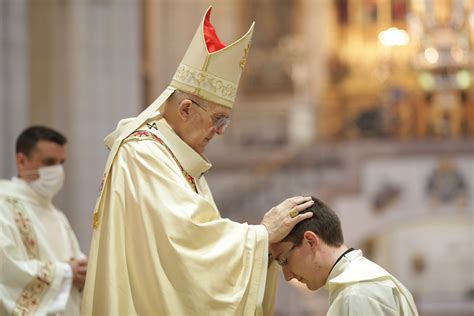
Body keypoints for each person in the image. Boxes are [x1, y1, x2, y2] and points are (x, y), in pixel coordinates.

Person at [81, 6, 313, 316]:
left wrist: (260, 245)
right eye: (218, 120)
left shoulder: (176, 158)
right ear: (186, 109)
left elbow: (195, 246)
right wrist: (261, 235)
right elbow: (186, 245)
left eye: (225, 123)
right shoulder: (143, 154)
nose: (219, 132)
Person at [270, 197, 419, 316]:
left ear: (310, 241)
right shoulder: (362, 283)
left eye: (284, 260)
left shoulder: (358, 294)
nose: (287, 276)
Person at [0, 126, 87, 315]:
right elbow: (6, 270)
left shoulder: (57, 215)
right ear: (21, 161)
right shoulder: (3, 205)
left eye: (61, 162)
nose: (57, 170)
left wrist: (82, 271)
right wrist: (66, 273)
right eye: (49, 162)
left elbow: (73, 265)